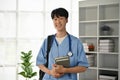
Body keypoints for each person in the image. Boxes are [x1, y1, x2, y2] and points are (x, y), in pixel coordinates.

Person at [36, 7, 89, 80]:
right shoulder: (48, 41)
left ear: (66, 20)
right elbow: (39, 63)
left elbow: (83, 67)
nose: (58, 22)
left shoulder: (76, 42)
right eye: (55, 19)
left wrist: (65, 70)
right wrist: (50, 72)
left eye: (61, 18)